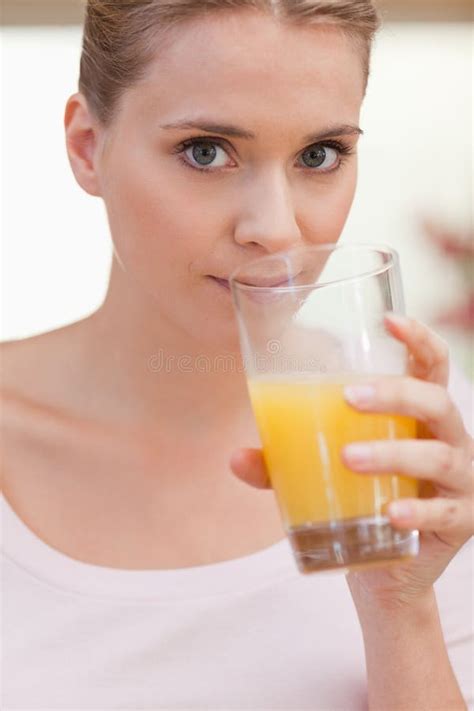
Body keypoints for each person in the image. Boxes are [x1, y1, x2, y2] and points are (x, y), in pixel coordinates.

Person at [1, 1, 473, 708]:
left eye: (319, 155)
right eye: (205, 151)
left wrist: (398, 604)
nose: (275, 229)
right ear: (86, 145)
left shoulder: (419, 443)